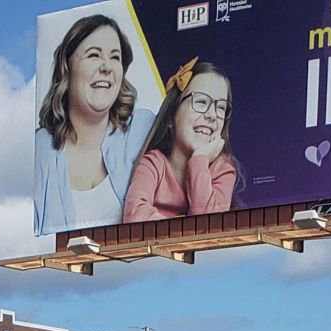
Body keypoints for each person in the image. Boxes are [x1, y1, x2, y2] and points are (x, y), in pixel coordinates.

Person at [34, 14, 154, 235]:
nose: (107, 67)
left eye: (115, 57)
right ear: (67, 69)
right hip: (55, 270)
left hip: (146, 266)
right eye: (93, 55)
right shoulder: (41, 149)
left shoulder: (141, 129)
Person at [121, 60, 239, 223]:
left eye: (220, 107)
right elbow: (135, 217)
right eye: (201, 102)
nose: (211, 115)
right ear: (171, 116)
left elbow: (211, 227)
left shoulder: (223, 169)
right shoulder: (154, 163)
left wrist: (199, 160)